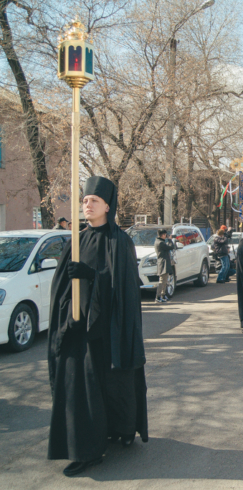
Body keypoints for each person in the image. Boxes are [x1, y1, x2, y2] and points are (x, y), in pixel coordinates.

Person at [48, 176, 148, 477]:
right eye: (84, 200)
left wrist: (93, 277)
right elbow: (61, 287)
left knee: (115, 384)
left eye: (92, 200)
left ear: (107, 205)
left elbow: (126, 289)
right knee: (79, 389)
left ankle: (122, 428)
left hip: (108, 331)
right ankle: (86, 450)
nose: (86, 205)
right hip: (78, 329)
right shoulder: (76, 241)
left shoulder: (120, 242)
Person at [155, 229, 174, 303]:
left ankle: (163, 295)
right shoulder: (160, 243)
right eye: (165, 235)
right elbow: (171, 247)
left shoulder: (160, 241)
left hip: (164, 262)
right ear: (162, 235)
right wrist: (170, 240)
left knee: (165, 280)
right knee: (162, 280)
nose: (166, 236)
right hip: (163, 263)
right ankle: (158, 296)